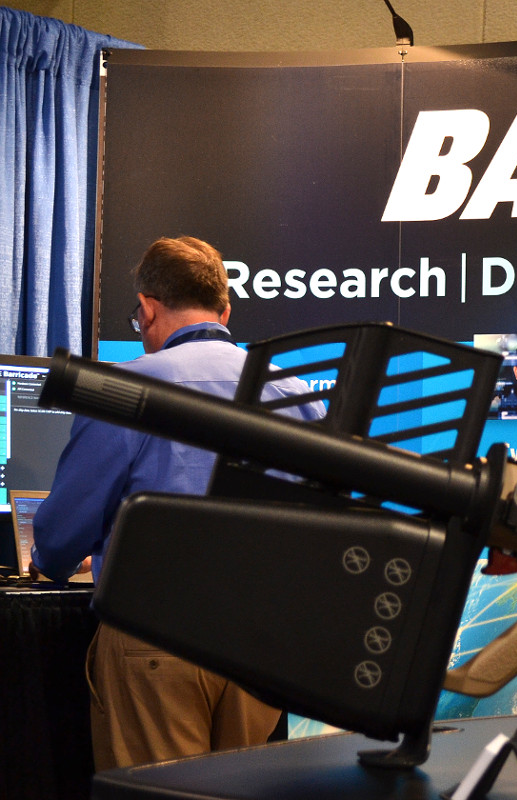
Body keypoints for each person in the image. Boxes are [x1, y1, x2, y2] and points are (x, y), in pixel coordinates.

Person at [30, 236, 325, 771]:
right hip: (261, 649)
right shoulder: (298, 396)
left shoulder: (121, 388)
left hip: (155, 639)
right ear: (224, 311)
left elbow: (58, 538)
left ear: (147, 309)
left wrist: (49, 562)